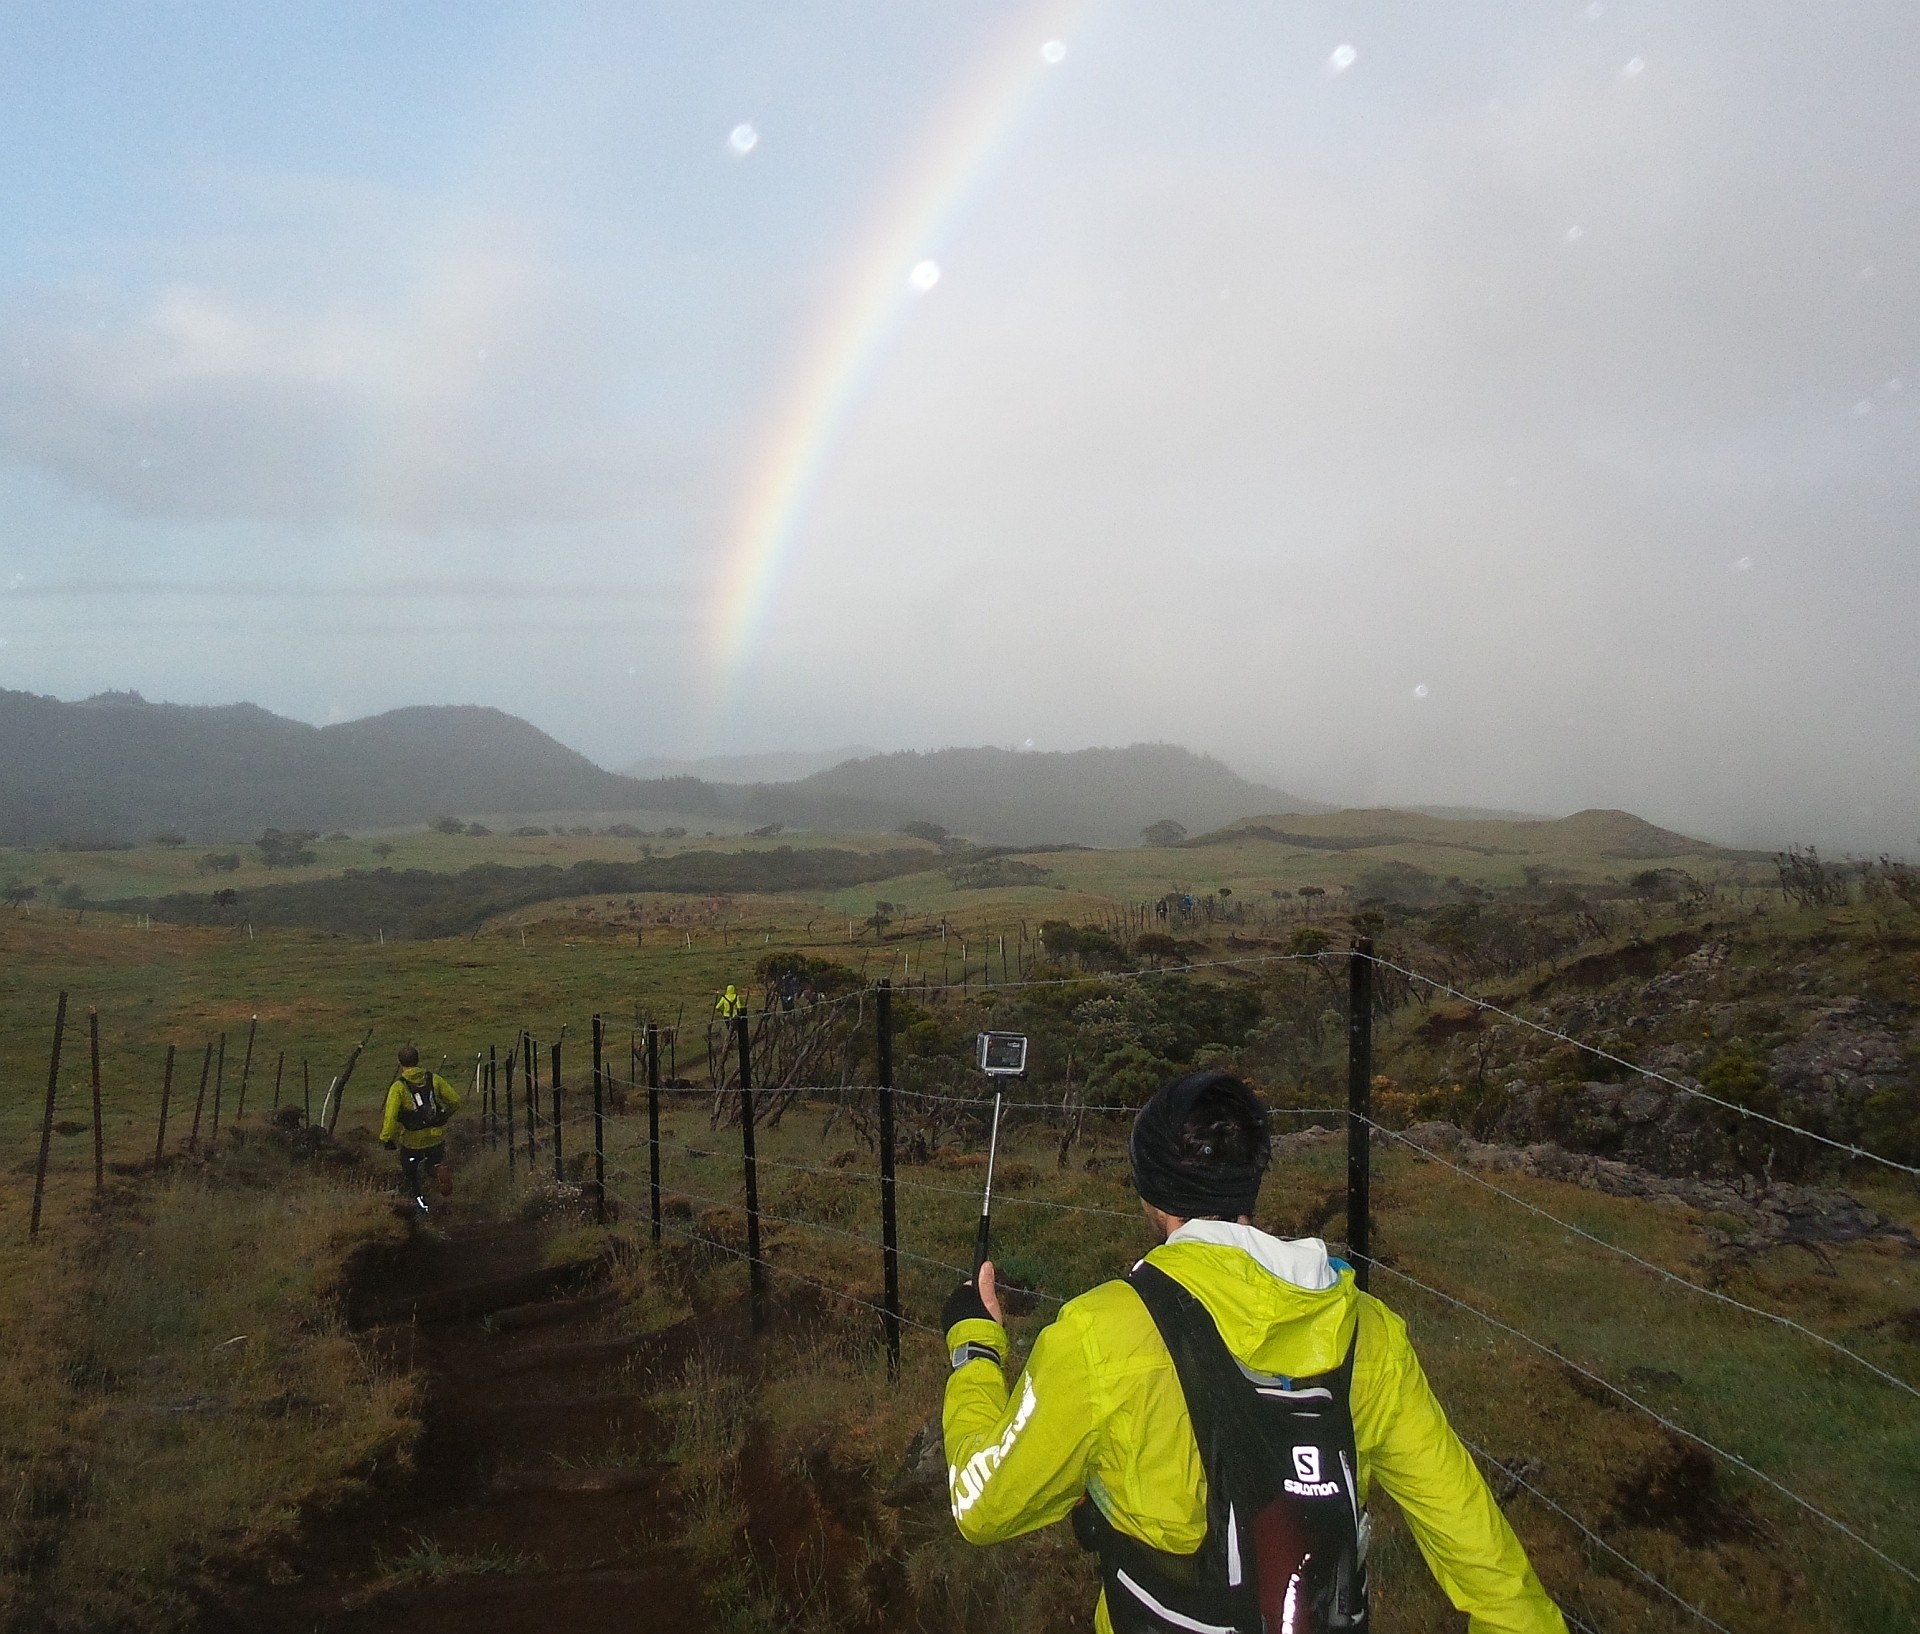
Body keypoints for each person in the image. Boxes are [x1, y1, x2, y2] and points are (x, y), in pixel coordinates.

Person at [942, 1071, 1566, 1634]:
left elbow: (983, 1507)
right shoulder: (1368, 1332)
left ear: (1150, 1193)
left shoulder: (1100, 1332)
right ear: (1254, 1180)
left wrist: (976, 1350)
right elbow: (1486, 1563)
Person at [378, 1045, 461, 1214]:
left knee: (411, 1175)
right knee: (432, 1163)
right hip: (436, 1137)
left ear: (400, 1063)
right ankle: (437, 1169)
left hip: (412, 1141)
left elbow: (391, 1116)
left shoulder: (399, 1087)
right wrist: (444, 1115)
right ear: (418, 1060)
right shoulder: (434, 1079)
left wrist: (386, 1138)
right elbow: (454, 1100)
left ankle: (420, 1207)